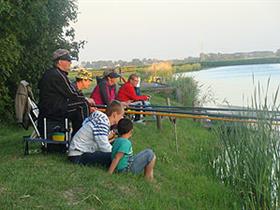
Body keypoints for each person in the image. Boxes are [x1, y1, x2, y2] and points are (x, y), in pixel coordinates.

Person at [38, 49, 90, 138]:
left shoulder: (53, 73)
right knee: (83, 104)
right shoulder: (57, 75)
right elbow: (71, 93)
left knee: (80, 106)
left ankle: (77, 137)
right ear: (60, 61)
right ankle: (82, 138)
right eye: (68, 60)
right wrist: (86, 99)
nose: (70, 63)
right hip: (52, 109)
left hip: (50, 107)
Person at [68, 100, 124, 167]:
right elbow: (103, 146)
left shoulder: (100, 120)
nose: (122, 118)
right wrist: (117, 154)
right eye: (121, 115)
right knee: (114, 158)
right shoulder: (102, 123)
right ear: (114, 114)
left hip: (77, 153)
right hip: (79, 155)